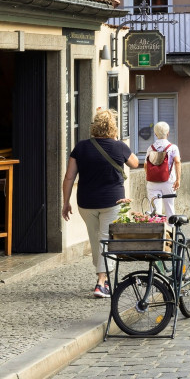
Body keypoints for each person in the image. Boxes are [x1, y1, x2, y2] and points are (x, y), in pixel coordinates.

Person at [62, 108, 139, 299]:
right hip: (112, 201)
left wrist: (65, 202)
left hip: (86, 202)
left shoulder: (81, 147)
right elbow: (135, 163)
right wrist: (118, 143)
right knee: (106, 239)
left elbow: (69, 177)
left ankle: (102, 278)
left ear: (94, 126)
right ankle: (101, 281)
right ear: (113, 127)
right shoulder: (119, 147)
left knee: (96, 239)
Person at [143, 121, 182, 216]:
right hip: (168, 181)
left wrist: (152, 175)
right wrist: (178, 179)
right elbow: (177, 162)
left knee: (155, 210)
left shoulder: (150, 148)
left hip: (152, 183)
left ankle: (157, 229)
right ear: (168, 133)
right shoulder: (173, 148)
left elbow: (145, 165)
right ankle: (171, 228)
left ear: (155, 134)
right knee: (169, 208)